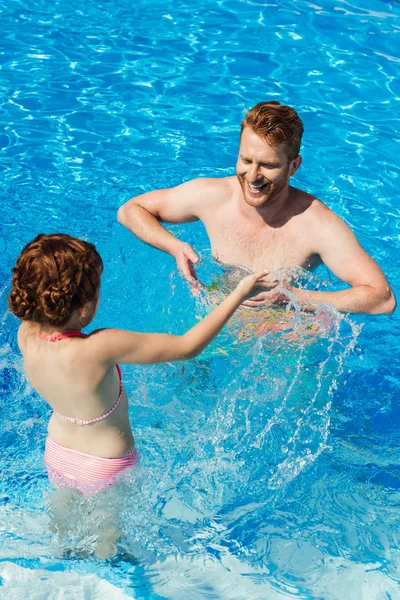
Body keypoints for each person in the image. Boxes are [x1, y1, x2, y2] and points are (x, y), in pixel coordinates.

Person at [8, 233, 271, 495]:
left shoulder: (26, 334)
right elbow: (189, 346)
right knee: (110, 538)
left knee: (59, 528)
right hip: (105, 465)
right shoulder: (99, 347)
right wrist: (239, 294)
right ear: (84, 306)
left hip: (57, 451)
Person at [118, 101, 396, 315]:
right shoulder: (212, 196)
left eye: (268, 165)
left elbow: (382, 298)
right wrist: (174, 246)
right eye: (246, 160)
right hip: (217, 317)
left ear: (293, 166)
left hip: (281, 339)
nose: (252, 176)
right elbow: (131, 209)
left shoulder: (317, 225)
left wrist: (294, 297)